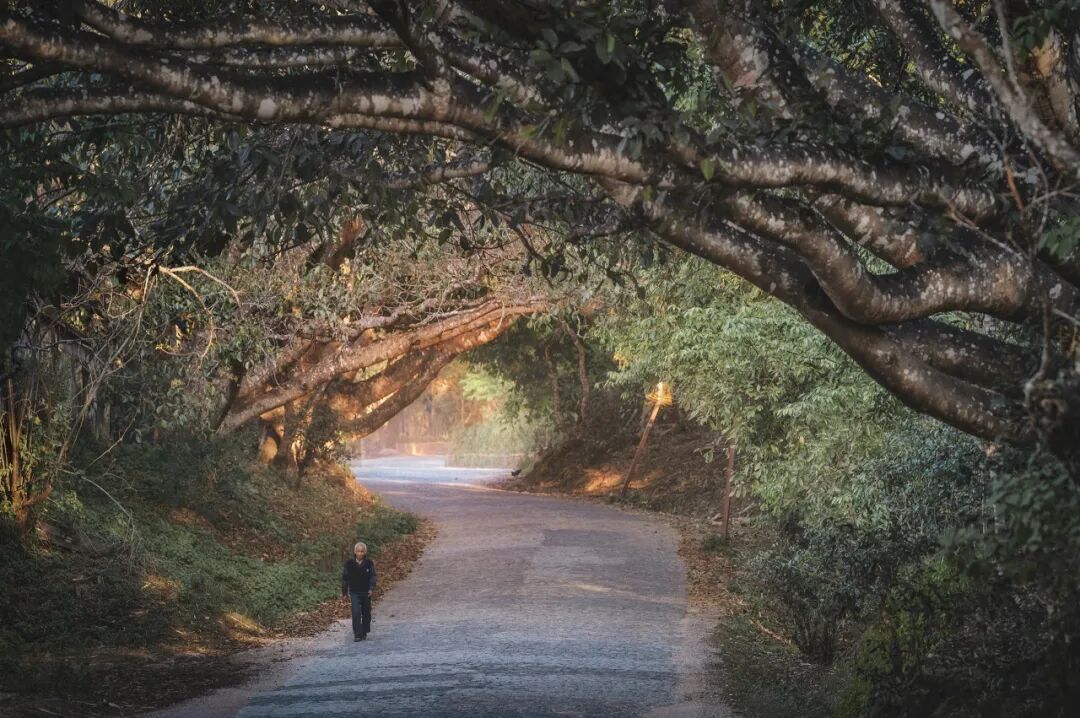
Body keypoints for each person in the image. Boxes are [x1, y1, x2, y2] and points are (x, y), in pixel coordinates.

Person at [341, 541, 376, 641]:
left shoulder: (369, 563)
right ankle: (357, 634)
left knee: (366, 612)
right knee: (356, 612)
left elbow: (372, 577)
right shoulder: (349, 564)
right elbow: (345, 578)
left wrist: (371, 588)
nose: (360, 553)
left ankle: (364, 631)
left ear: (365, 552)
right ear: (355, 552)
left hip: (366, 592)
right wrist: (344, 593)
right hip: (354, 592)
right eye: (358, 551)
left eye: (362, 551)